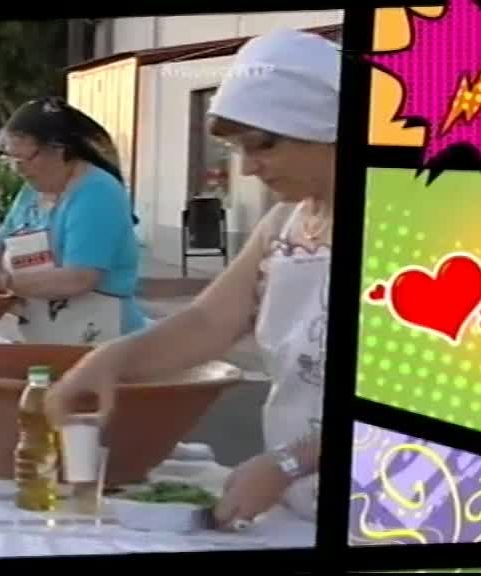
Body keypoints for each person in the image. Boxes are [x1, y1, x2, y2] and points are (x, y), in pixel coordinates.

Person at [45, 29, 339, 531]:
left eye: (265, 145)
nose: (249, 167)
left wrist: (294, 461)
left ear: (327, 127)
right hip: (293, 497)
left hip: (400, 496)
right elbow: (208, 321)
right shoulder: (284, 225)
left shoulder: (406, 231)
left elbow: (419, 399)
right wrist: (111, 360)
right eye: (238, 149)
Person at [0, 97, 144, 346]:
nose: (17, 169)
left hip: (99, 334)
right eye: (11, 159)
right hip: (42, 329)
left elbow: (80, 277)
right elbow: (3, 241)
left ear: (57, 149)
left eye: (23, 159)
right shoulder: (33, 190)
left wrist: (2, 282)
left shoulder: (97, 193)